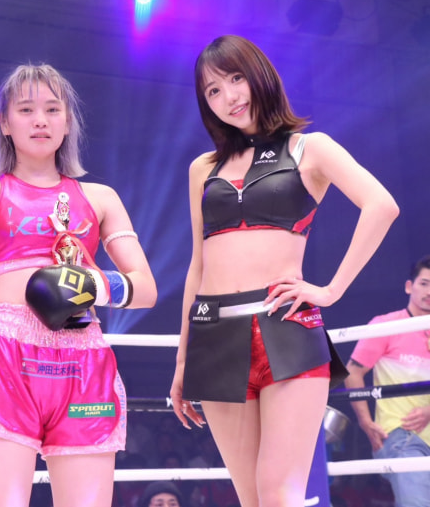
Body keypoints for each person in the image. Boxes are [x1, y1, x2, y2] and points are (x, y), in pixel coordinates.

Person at [169, 34, 399, 507]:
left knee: (279, 493)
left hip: (285, 326)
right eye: (213, 90)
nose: (229, 96)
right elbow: (198, 264)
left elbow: (381, 205)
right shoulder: (202, 168)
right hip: (215, 335)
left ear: (260, 75)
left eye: (236, 78)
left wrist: (331, 290)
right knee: (251, 498)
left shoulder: (310, 148)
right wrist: (182, 359)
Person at [0, 63, 157, 507]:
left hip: (84, 362)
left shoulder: (100, 197)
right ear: (4, 123)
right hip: (7, 358)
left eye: (52, 109)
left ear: (67, 122)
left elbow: (145, 288)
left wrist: (90, 284)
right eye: (26, 109)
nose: (40, 120)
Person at [344, 254, 430, 507]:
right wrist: (365, 422)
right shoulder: (387, 325)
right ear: (409, 286)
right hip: (403, 435)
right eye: (424, 283)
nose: (429, 291)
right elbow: (353, 372)